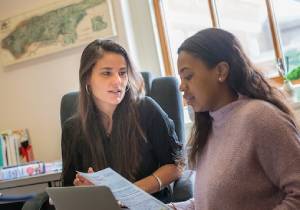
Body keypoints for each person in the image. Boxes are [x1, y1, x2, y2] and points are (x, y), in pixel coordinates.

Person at [170, 28, 300, 210]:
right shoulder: (211, 125)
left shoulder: (262, 118)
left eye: (188, 76)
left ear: (221, 71)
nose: (181, 87)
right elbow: (214, 202)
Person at [61, 39, 183, 203]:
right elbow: (69, 187)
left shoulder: (147, 109)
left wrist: (129, 194)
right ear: (87, 78)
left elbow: (175, 166)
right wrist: (82, 189)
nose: (118, 81)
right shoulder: (72, 128)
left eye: (122, 72)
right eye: (107, 73)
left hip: (148, 204)